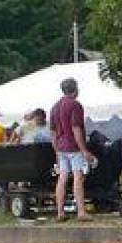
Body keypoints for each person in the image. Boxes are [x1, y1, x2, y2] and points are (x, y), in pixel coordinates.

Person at [50, 77, 96, 222]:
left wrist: (56, 149)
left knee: (62, 178)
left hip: (61, 147)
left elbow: (52, 131)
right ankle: (81, 212)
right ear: (75, 89)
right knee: (78, 177)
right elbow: (76, 128)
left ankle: (60, 212)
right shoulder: (75, 105)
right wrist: (84, 150)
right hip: (74, 147)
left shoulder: (55, 107)